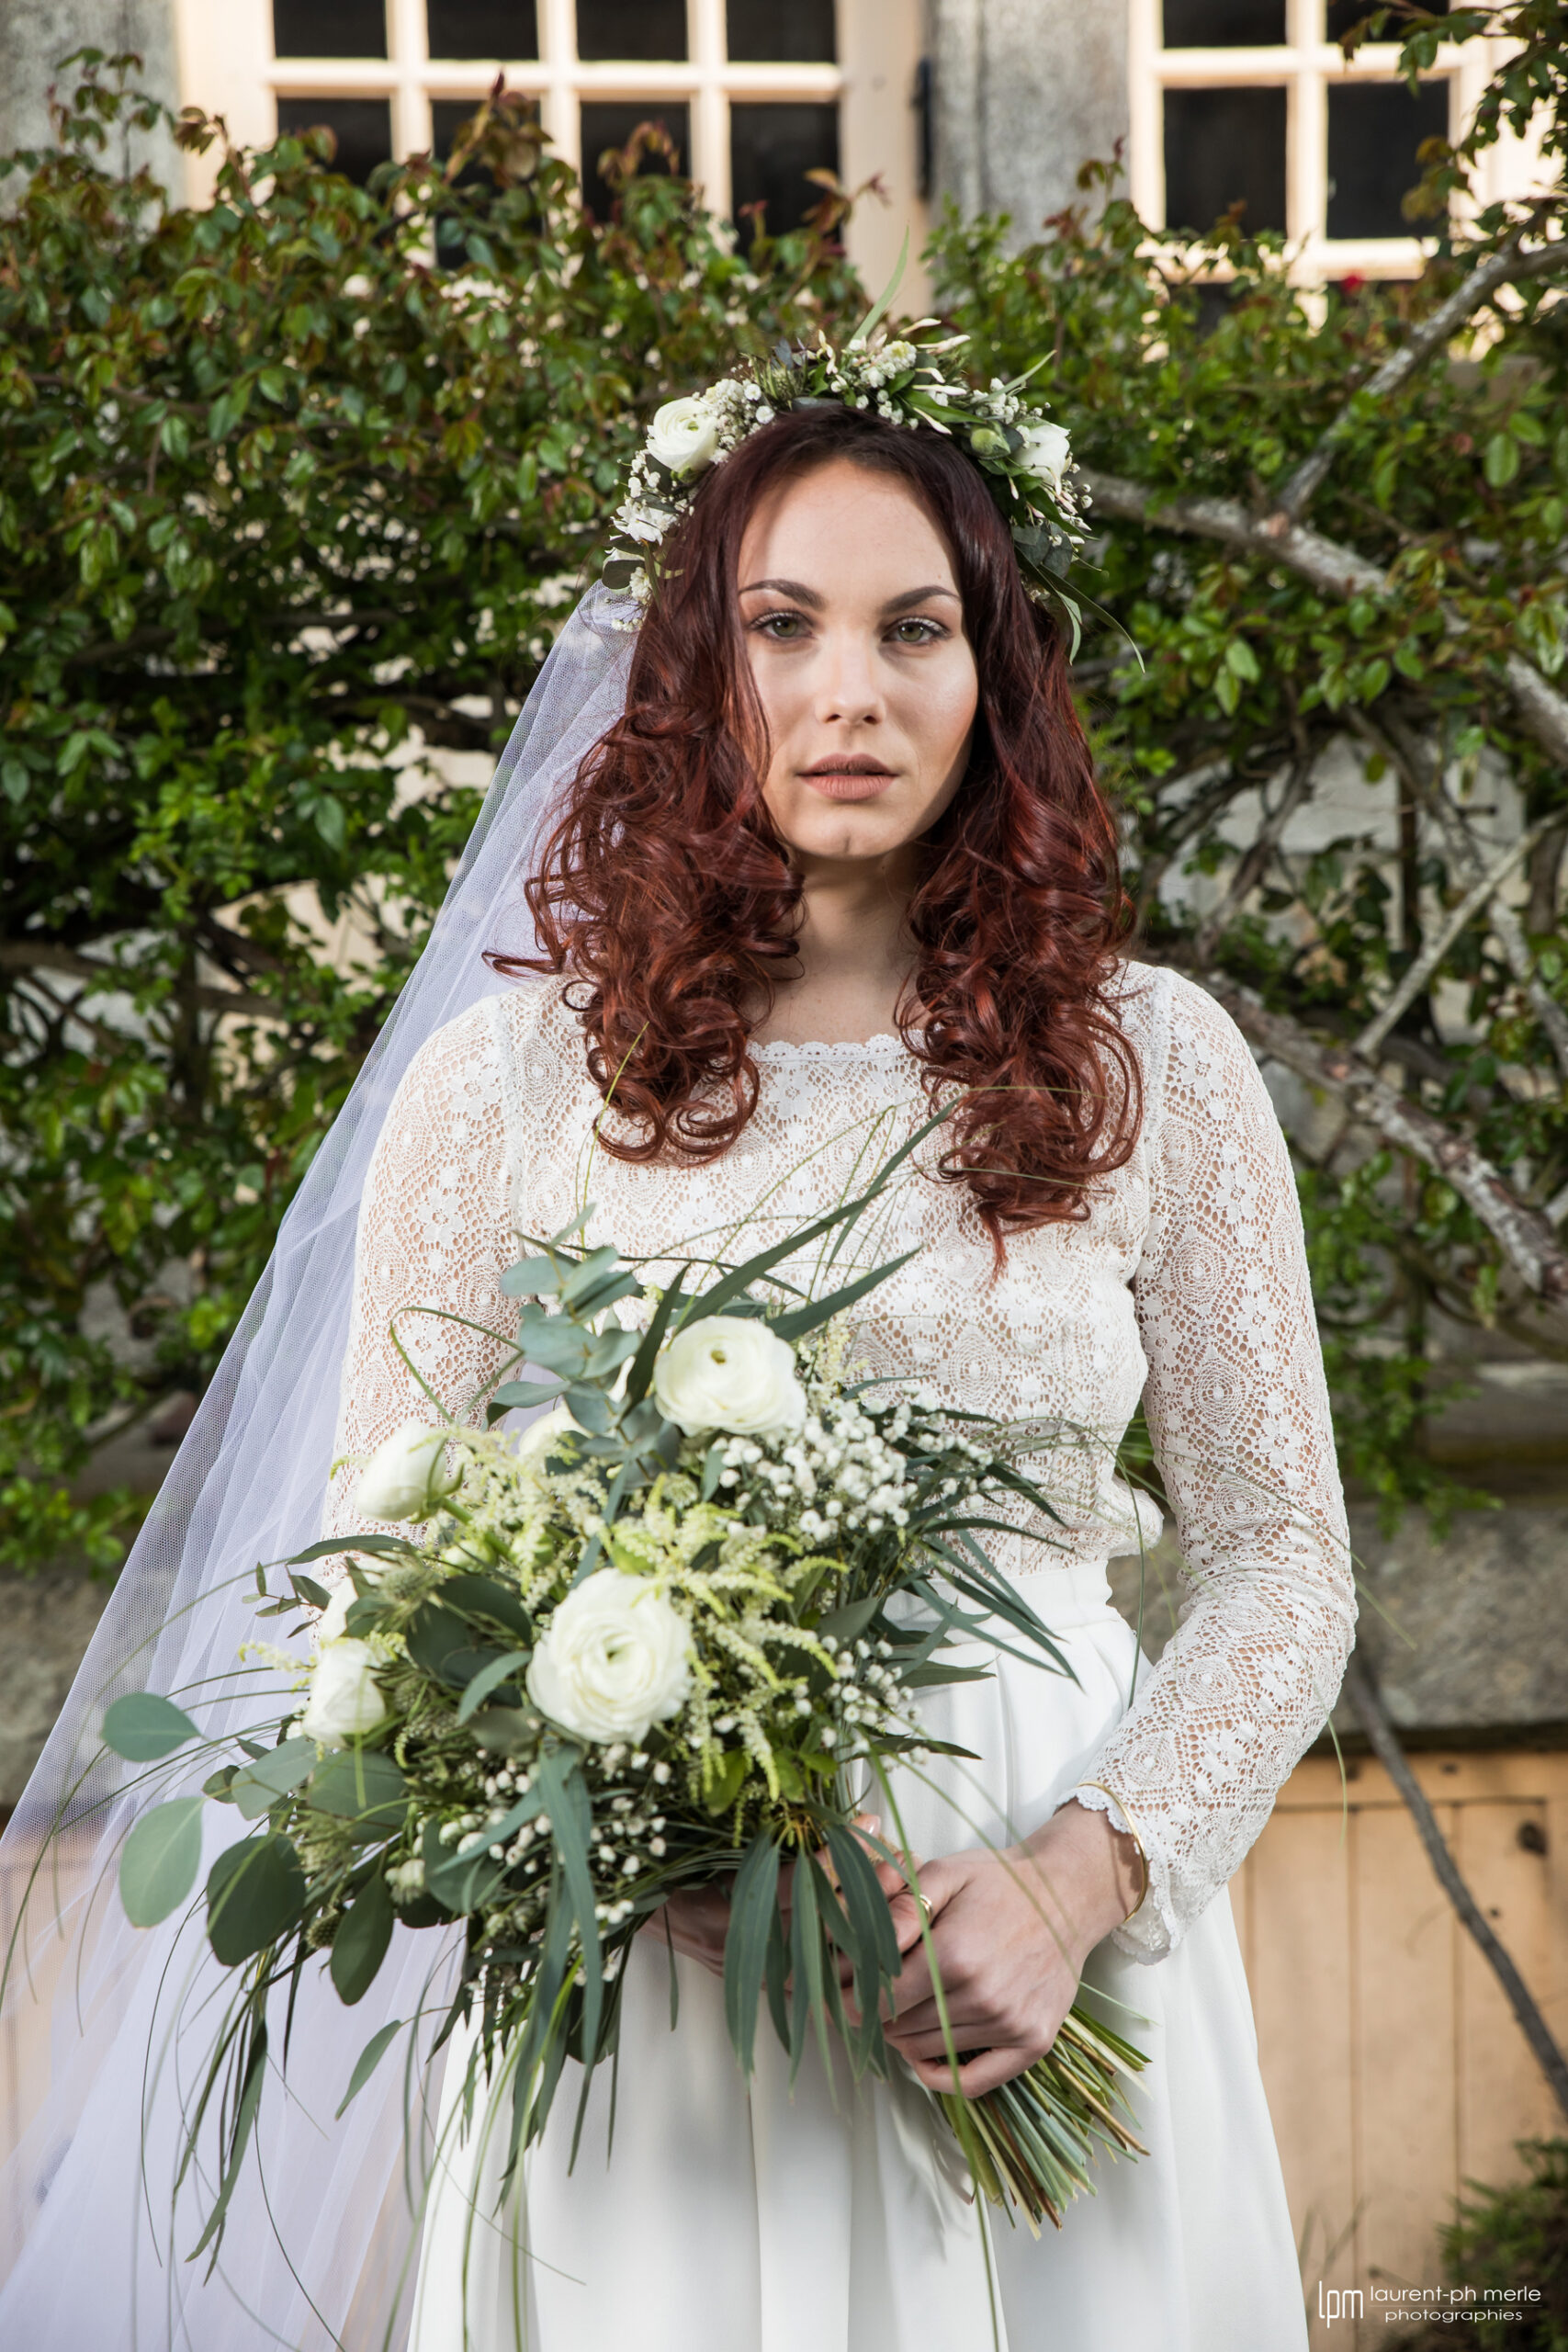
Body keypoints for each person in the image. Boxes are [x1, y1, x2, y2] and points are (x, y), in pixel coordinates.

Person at [0, 362, 1353, 2352]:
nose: (847, 694)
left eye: (914, 630)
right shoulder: (506, 1086)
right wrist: (657, 1850)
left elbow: (1281, 1560)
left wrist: (1073, 1887)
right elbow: (380, 1587)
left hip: (1053, 1922)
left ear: (998, 676)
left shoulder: (1155, 1064)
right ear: (690, 671)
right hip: (649, 1979)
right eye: (779, 626)